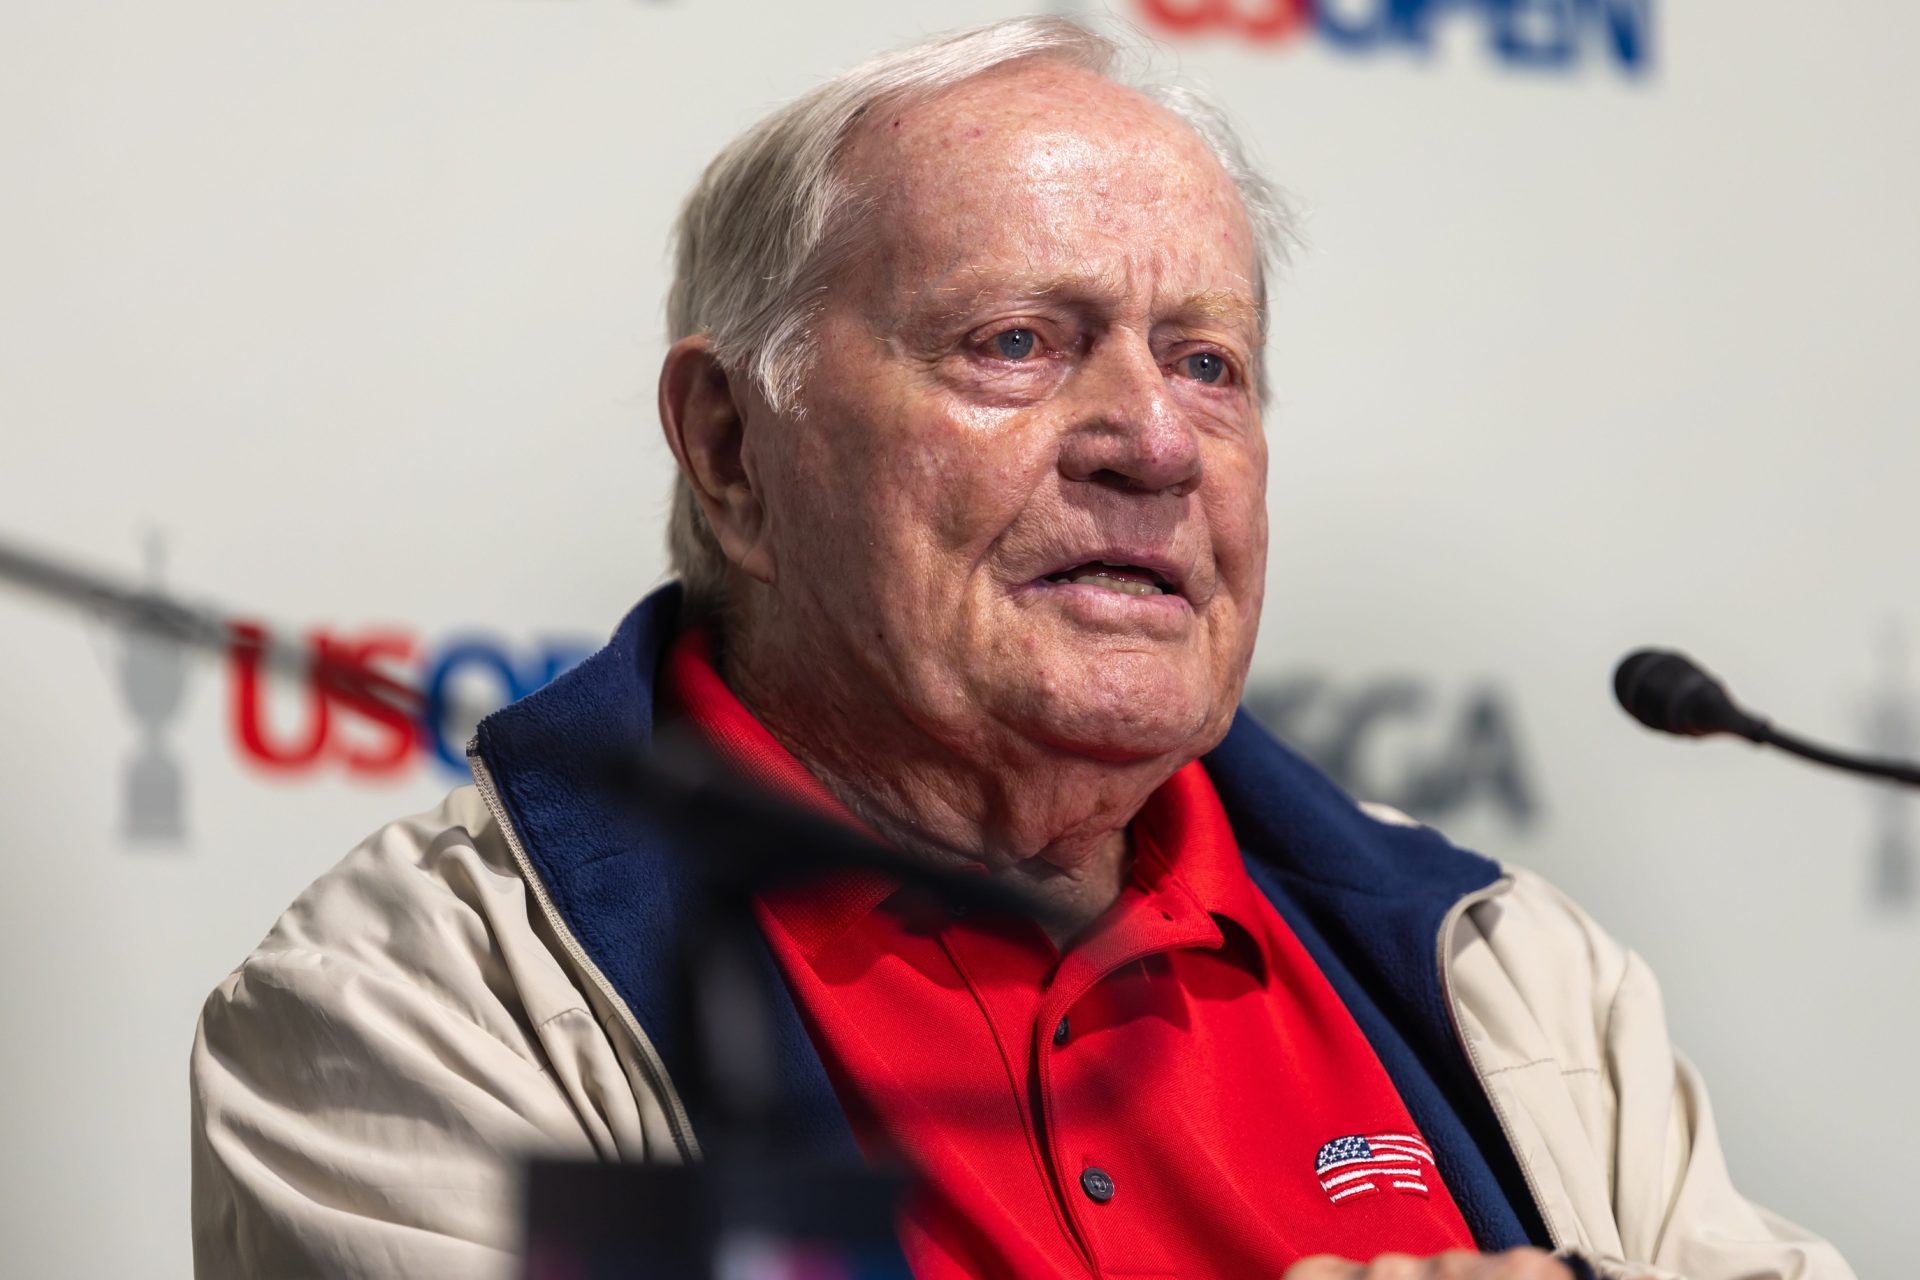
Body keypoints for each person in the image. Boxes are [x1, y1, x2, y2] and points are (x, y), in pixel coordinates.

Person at [189, 18, 1853, 1280]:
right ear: (733, 450)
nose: (1155, 441)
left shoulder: (1506, 977)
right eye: (1017, 342)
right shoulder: (427, 1008)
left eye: (1208, 363)